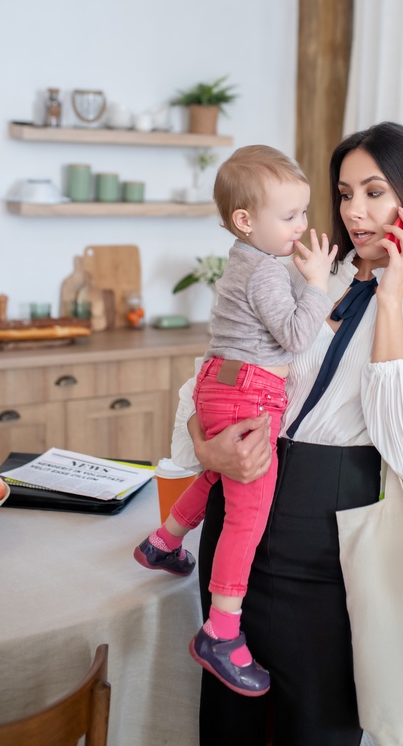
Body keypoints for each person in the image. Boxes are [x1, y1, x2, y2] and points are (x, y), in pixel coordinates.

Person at [172, 122, 403, 745]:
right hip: (242, 508)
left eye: (374, 193)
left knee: (317, 719)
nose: (355, 213)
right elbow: (223, 367)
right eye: (344, 194)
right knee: (228, 722)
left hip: (334, 529)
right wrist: (205, 447)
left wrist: (390, 298)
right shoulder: (314, 270)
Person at [134, 145, 337, 696]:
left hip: (220, 384)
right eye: (290, 215)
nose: (302, 225)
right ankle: (221, 632)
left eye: (303, 212)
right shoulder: (265, 273)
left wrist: (310, 284)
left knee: (217, 475)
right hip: (249, 392)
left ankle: (164, 541)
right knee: (247, 514)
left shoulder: (249, 259)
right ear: (247, 221)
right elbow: (297, 338)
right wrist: (318, 283)